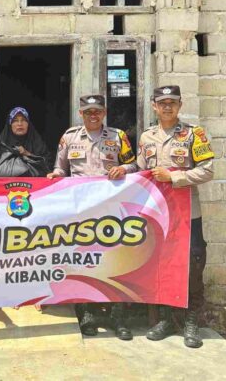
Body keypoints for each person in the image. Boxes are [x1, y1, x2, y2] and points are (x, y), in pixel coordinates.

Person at [47, 94, 137, 341]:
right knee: (83, 259)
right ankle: (87, 314)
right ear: (81, 114)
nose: (93, 115)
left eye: (97, 111)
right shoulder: (69, 137)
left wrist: (123, 168)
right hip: (81, 211)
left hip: (112, 209)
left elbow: (134, 165)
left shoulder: (118, 137)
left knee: (116, 261)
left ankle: (118, 317)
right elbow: (60, 168)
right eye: (88, 112)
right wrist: (55, 176)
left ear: (104, 112)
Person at [138, 85, 214, 349]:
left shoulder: (194, 134)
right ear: (154, 106)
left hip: (187, 214)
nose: (167, 107)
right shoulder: (147, 137)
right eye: (162, 103)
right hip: (159, 214)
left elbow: (207, 170)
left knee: (193, 265)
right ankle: (167, 319)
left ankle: (191, 321)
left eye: (172, 102)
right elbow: (140, 171)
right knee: (162, 265)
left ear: (180, 105)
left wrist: (174, 177)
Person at [0, 106, 51, 177]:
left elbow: (47, 168)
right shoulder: (1, 145)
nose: (20, 124)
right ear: (10, 124)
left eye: (23, 120)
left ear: (28, 124)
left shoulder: (38, 144)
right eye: (15, 120)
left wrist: (27, 154)